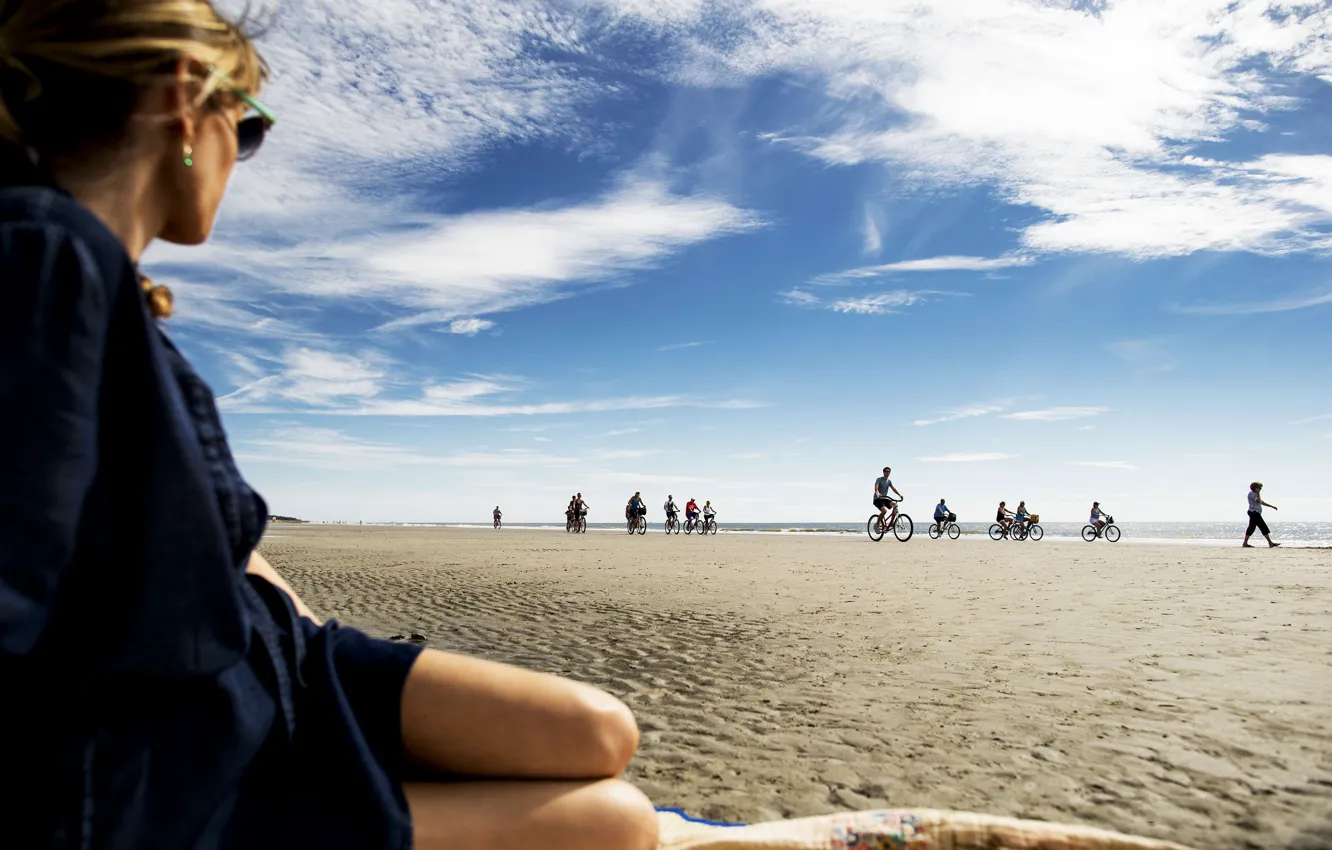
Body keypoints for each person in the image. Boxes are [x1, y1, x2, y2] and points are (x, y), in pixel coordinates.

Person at [0, 4, 657, 849]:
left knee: (600, 730)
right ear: (183, 99)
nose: (246, 152)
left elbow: (213, 531)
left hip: (280, 661)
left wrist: (304, 619)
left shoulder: (110, 292)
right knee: (612, 821)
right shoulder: (43, 257)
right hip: (173, 742)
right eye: (253, 124)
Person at [1242, 482, 1280, 548]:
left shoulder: (1255, 494)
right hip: (1254, 512)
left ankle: (1245, 543)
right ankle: (1270, 543)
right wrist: (1258, 493)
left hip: (1255, 513)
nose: (1260, 489)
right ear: (1255, 488)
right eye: (1259, 488)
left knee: (1252, 527)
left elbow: (1262, 502)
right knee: (1262, 527)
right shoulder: (1252, 494)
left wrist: (1272, 506)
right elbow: (1259, 501)